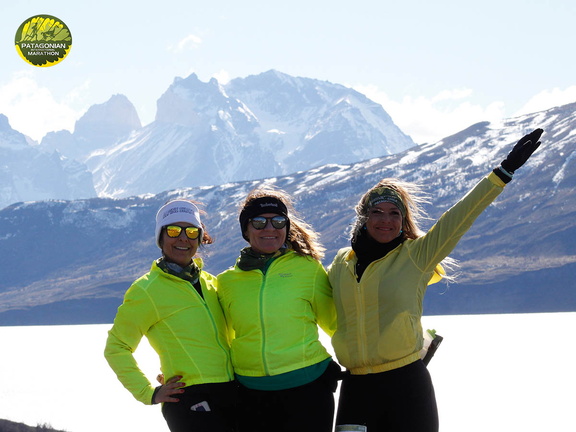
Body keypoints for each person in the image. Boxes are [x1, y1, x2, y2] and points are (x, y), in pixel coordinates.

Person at [327, 129, 545, 432]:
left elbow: (459, 218)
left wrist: (502, 173)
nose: (386, 220)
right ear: (364, 218)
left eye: (395, 213)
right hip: (356, 388)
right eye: (377, 212)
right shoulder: (341, 263)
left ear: (403, 220)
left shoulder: (417, 255)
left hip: (406, 385)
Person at [104, 199, 237, 432]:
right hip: (188, 399)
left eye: (192, 231)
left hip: (232, 393)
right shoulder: (146, 290)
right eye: (174, 231)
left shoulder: (211, 283)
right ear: (161, 238)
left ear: (199, 238)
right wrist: (148, 392)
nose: (183, 238)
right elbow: (116, 347)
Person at [217, 186, 340, 432]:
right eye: (259, 222)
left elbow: (336, 324)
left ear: (286, 226)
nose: (270, 228)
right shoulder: (227, 282)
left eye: (278, 221)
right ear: (246, 230)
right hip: (250, 395)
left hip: (309, 390)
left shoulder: (308, 269)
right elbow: (220, 338)